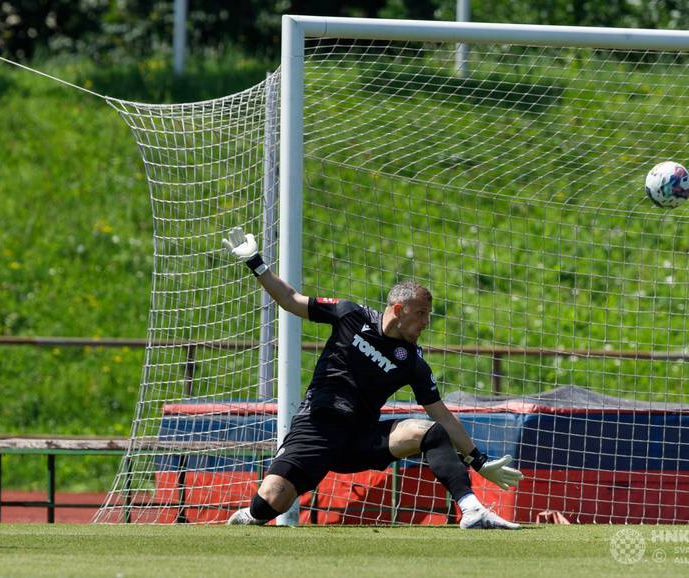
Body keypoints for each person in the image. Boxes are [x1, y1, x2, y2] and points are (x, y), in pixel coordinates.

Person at [221, 227, 523, 529]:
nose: (426, 323)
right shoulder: (350, 315)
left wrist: (478, 460)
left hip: (360, 438)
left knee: (430, 432)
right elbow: (290, 300)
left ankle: (472, 510)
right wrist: (256, 263)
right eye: (420, 314)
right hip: (317, 428)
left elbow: (442, 414)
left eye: (428, 315)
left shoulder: (413, 363)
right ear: (398, 309)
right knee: (269, 503)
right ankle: (250, 516)